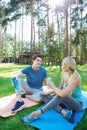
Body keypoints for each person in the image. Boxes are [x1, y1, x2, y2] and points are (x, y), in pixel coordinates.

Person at [27, 56, 83, 123]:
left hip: (76, 104)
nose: (61, 66)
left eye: (62, 65)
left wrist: (53, 86)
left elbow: (63, 93)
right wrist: (48, 93)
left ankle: (38, 113)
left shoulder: (76, 78)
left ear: (68, 67)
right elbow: (60, 88)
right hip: (66, 101)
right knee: (45, 97)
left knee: (61, 95)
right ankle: (64, 112)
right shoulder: (65, 73)